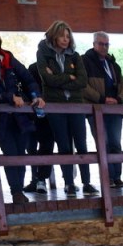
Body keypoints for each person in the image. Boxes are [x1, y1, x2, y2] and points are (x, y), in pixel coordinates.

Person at [0, 30, 44, 206]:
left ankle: (18, 190)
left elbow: (28, 79)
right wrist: (8, 97)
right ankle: (16, 191)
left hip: (20, 118)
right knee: (10, 154)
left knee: (21, 154)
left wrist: (36, 95)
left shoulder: (10, 60)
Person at [36, 20, 96, 196]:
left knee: (81, 144)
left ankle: (86, 182)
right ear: (54, 36)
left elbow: (82, 81)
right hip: (56, 106)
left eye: (68, 36)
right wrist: (68, 77)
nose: (65, 39)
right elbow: (47, 80)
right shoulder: (43, 54)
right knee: (63, 145)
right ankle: (69, 183)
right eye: (62, 36)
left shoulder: (75, 56)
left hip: (76, 104)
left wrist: (61, 78)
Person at [82, 32, 123, 189]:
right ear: (94, 44)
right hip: (97, 108)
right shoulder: (85, 61)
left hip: (114, 109)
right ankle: (107, 178)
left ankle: (117, 177)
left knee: (115, 143)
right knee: (103, 143)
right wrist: (101, 99)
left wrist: (119, 99)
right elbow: (83, 86)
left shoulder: (113, 64)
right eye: (101, 44)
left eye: (106, 44)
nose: (104, 47)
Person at [22, 61, 54, 194]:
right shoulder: (33, 68)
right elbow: (28, 88)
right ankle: (36, 179)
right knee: (31, 147)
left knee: (47, 145)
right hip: (35, 113)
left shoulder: (61, 66)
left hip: (52, 113)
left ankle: (41, 179)